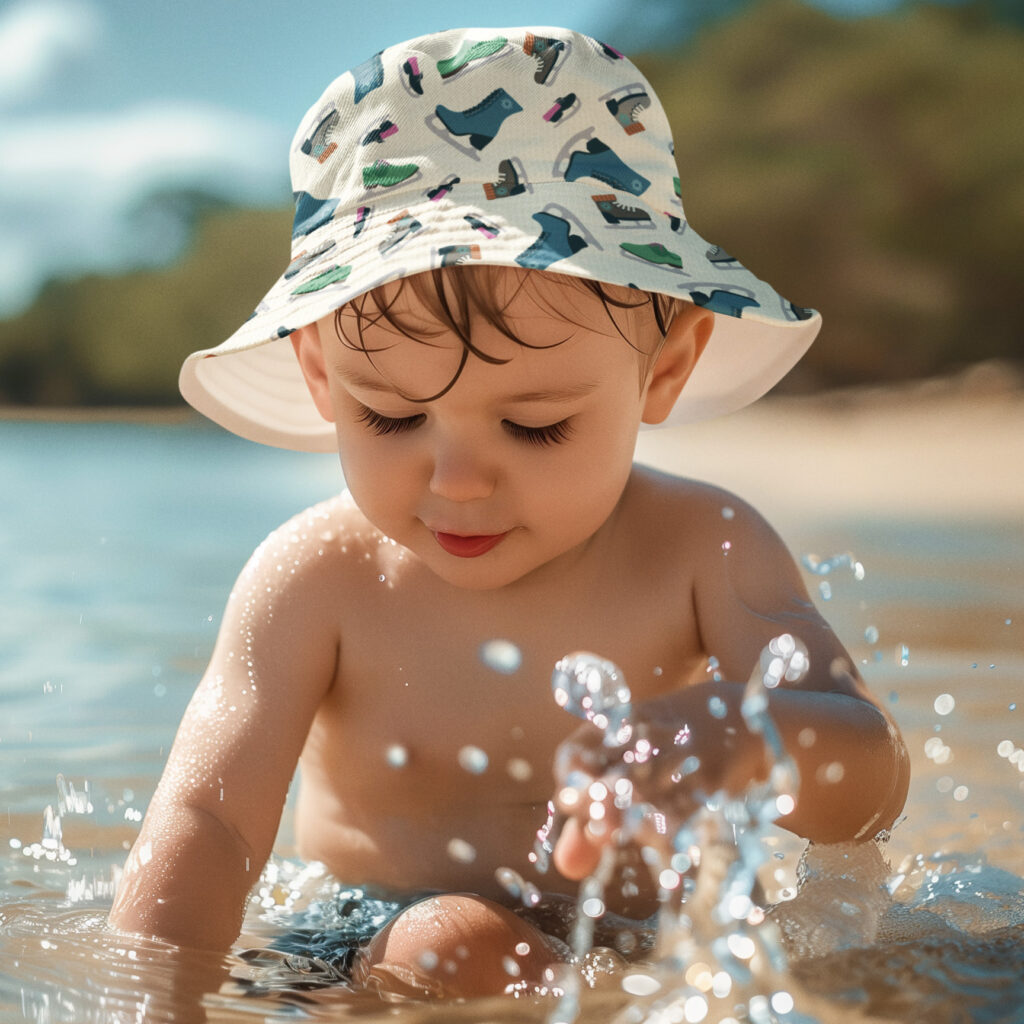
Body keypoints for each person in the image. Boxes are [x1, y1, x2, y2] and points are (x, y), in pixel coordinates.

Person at [108, 26, 909, 1000]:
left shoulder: (704, 545)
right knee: (448, 943)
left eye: (533, 426)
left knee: (937, 958)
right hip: (364, 938)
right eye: (393, 415)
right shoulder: (315, 577)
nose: (456, 482)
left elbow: (868, 786)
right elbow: (210, 821)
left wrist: (748, 735)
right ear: (321, 372)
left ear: (665, 367)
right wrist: (155, 1001)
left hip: (647, 941)